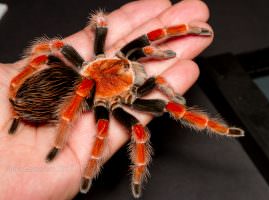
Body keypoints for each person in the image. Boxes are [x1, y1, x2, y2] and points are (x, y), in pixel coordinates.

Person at [0, 0, 213, 199]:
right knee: (130, 130)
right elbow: (101, 123)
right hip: (67, 94)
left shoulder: (98, 59)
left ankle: (17, 88)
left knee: (53, 50)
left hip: (68, 86)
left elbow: (97, 23)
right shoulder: (112, 82)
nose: (132, 63)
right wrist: (61, 143)